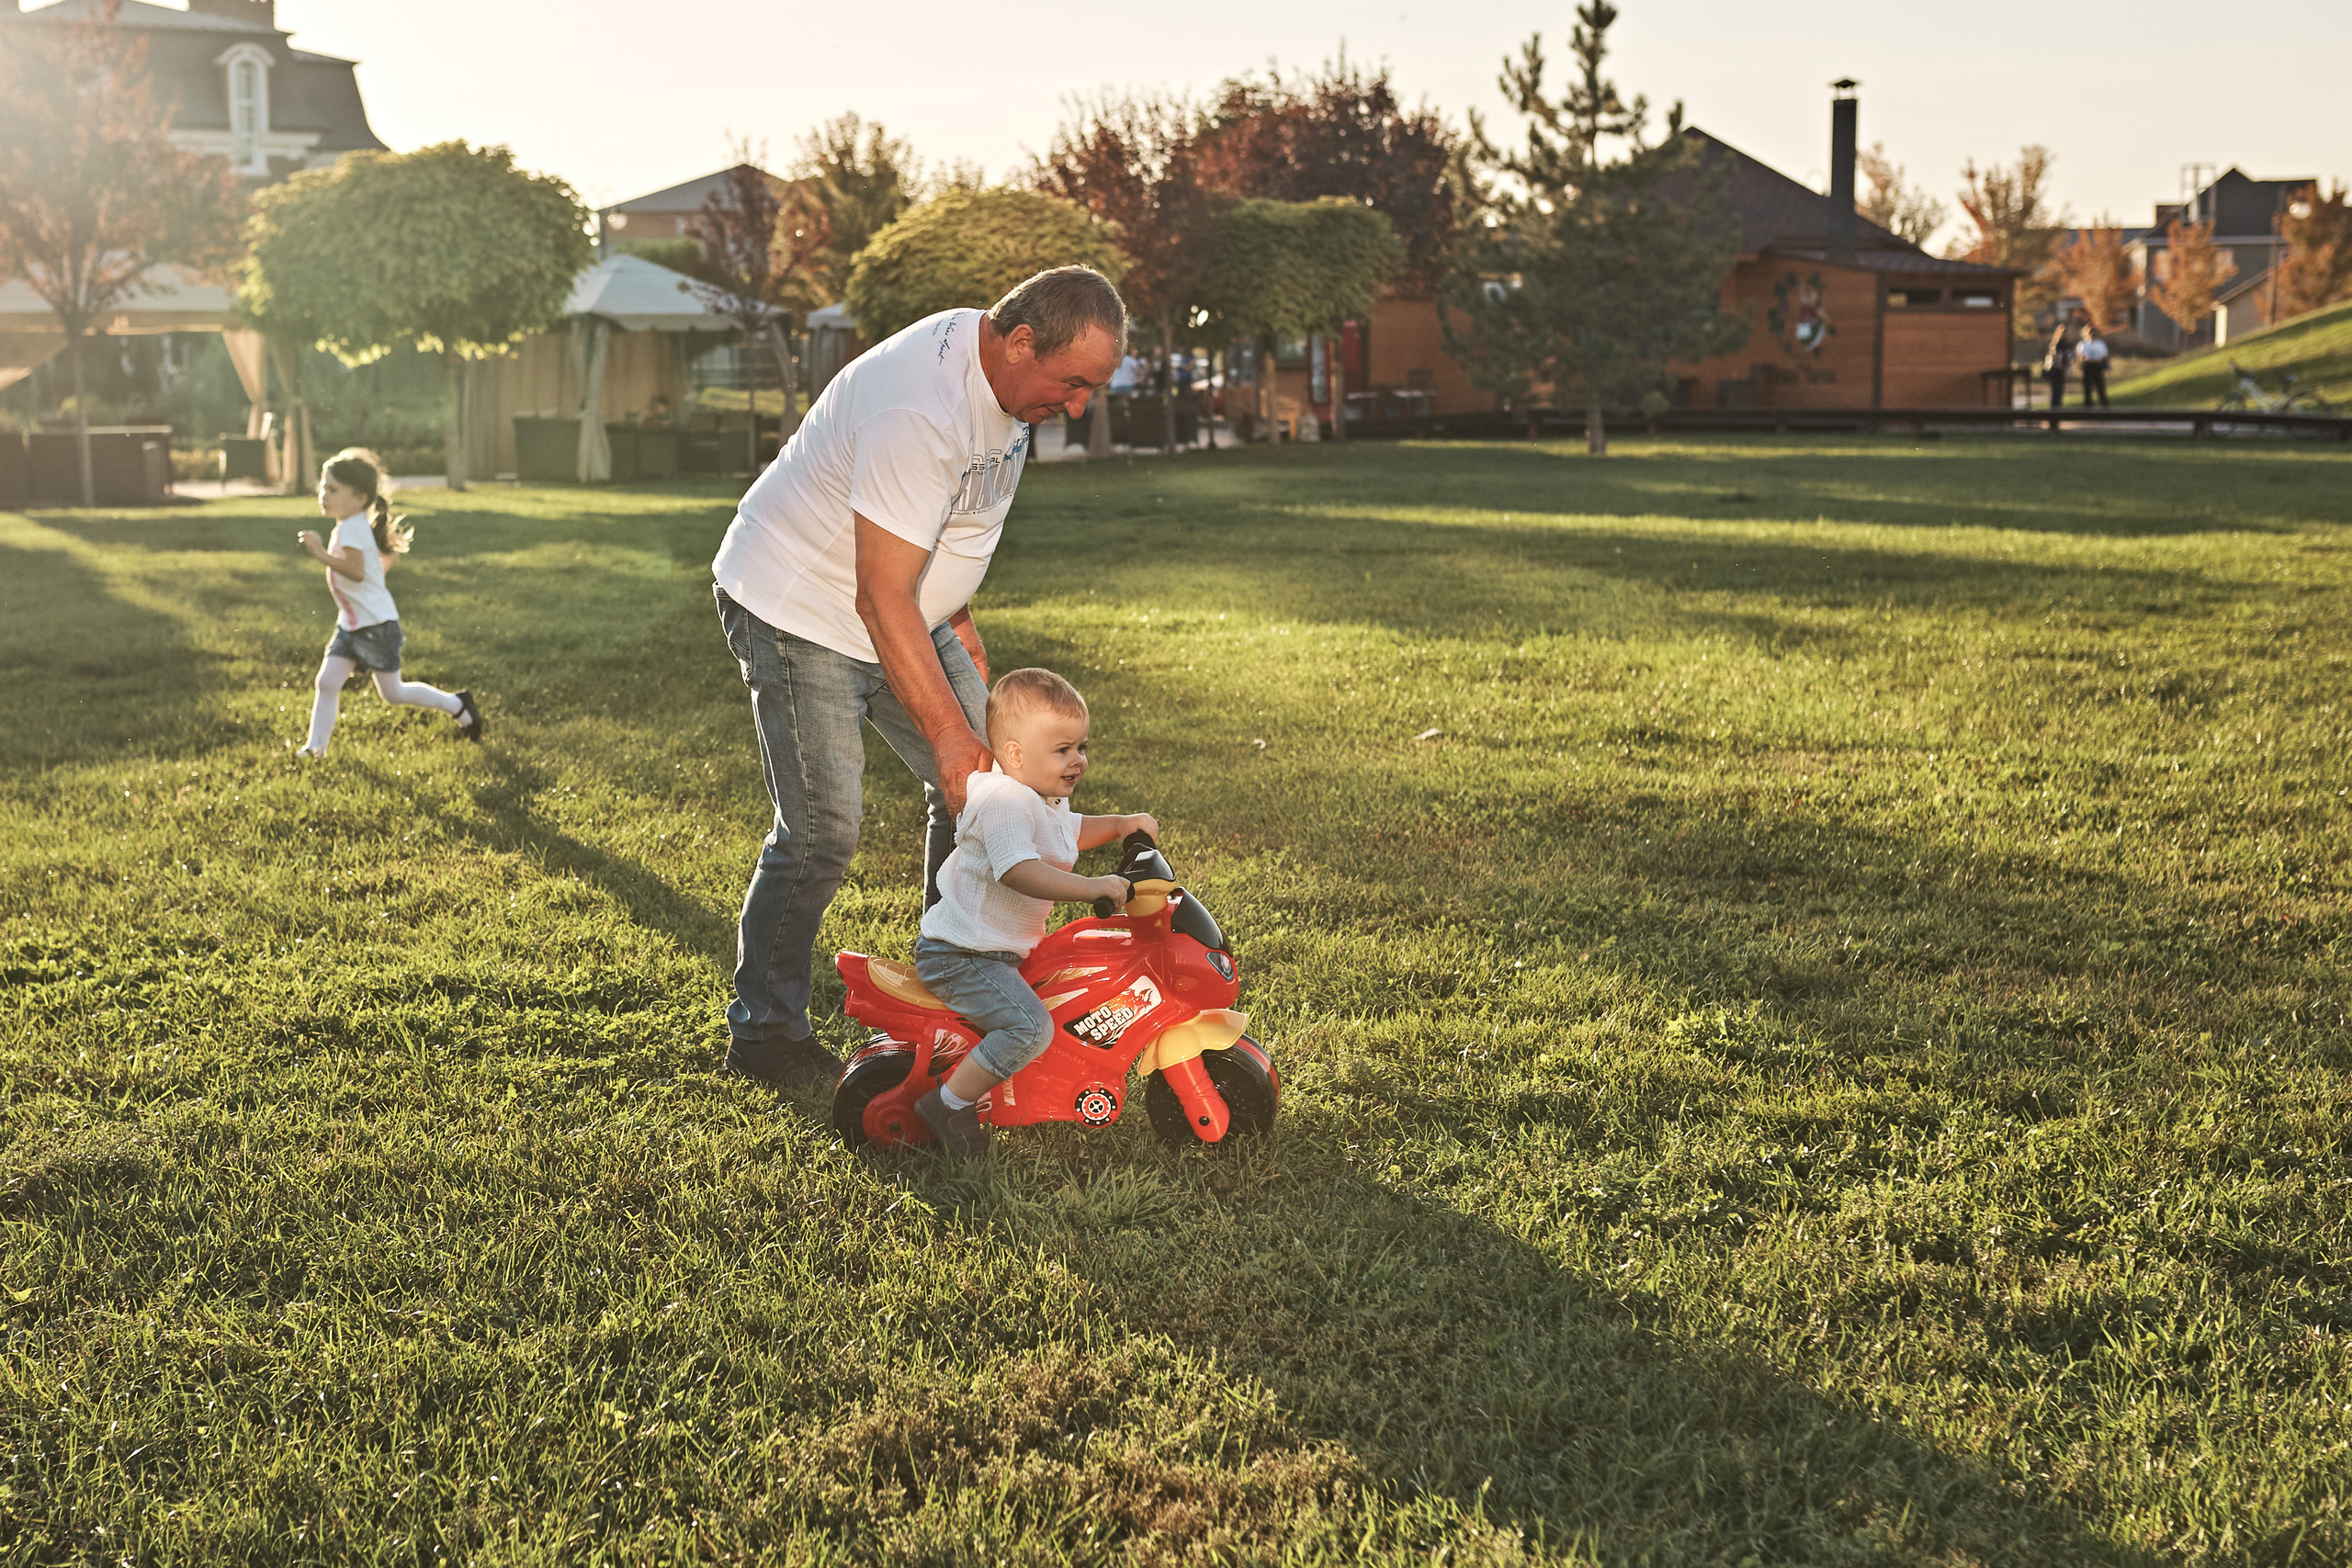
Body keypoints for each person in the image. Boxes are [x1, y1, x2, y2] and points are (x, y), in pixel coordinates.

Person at [708, 265, 1125, 1089]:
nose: (1078, 406)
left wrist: (959, 619)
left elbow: (952, 523)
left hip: (903, 607)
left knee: (1004, 785)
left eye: (1093, 388)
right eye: (1072, 383)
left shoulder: (1011, 388)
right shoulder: (920, 405)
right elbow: (877, 592)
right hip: (800, 606)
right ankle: (764, 1032)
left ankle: (964, 967)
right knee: (825, 828)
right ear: (1017, 342)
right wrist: (945, 730)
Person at [911, 668, 1158, 1157]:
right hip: (960, 955)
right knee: (1030, 1027)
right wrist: (1090, 888)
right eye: (1063, 750)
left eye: (1081, 747)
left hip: (994, 951)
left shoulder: (1040, 797)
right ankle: (949, 1104)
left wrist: (1121, 825)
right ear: (1016, 754)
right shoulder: (1005, 801)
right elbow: (1018, 869)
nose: (1078, 761)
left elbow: (1067, 832)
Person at [292, 448, 482, 758]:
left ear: (359, 498)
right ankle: (316, 749)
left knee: (394, 693)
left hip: (376, 629)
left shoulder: (353, 527)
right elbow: (376, 566)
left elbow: (355, 571)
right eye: (322, 487)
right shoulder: (350, 525)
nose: (323, 495)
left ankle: (457, 704)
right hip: (351, 625)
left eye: (332, 489)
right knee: (327, 682)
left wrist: (319, 553)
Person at [2041, 321, 2075, 409]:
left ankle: (2057, 408)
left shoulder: (2068, 345)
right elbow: (2051, 359)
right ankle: (2054, 410)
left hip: (2062, 371)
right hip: (2055, 371)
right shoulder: (2055, 345)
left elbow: (2069, 359)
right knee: (2056, 391)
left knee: (2059, 391)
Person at [2076, 324, 2112, 408]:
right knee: (2087, 390)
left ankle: (2105, 408)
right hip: (2087, 368)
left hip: (2097, 367)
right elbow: (2079, 357)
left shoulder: (2100, 343)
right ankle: (2088, 408)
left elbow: (2104, 356)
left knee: (2100, 389)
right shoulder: (2083, 344)